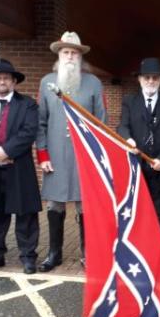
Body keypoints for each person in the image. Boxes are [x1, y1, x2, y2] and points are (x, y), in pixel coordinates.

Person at [36, 31, 106, 271]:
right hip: (55, 157)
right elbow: (41, 122)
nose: (70, 56)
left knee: (84, 206)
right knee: (55, 206)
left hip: (84, 157)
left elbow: (101, 123)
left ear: (80, 57)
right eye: (65, 52)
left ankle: (88, 253)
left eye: (74, 53)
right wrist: (43, 155)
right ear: (59, 55)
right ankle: (54, 253)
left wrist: (97, 157)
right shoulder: (47, 82)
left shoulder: (93, 83)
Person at [0, 59, 42, 274]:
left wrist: (7, 151)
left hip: (19, 166)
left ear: (14, 81)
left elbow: (29, 131)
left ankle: (28, 257)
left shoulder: (28, 104)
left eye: (6, 78)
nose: (2, 81)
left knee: (26, 215)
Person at [117, 57, 160, 237]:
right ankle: (138, 254)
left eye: (155, 77)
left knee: (158, 215)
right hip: (135, 170)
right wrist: (127, 139)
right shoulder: (129, 101)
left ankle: (156, 256)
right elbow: (122, 126)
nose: (151, 81)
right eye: (147, 77)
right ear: (139, 79)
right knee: (135, 213)